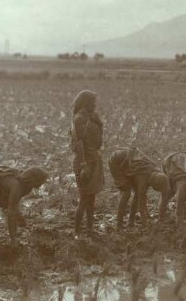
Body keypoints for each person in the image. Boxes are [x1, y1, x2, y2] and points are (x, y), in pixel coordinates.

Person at [0, 164, 47, 258]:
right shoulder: (16, 187)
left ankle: (19, 224)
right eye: (41, 181)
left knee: (10, 206)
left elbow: (12, 204)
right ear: (33, 179)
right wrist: (13, 240)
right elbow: (10, 213)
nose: (42, 184)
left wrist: (18, 216)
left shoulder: (25, 183)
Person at [108, 147, 169, 230]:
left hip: (129, 161)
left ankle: (130, 222)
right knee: (126, 192)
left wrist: (161, 220)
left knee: (137, 195)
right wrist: (145, 225)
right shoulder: (143, 180)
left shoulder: (157, 171)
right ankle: (119, 225)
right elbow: (141, 203)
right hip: (117, 160)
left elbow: (164, 195)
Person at [70, 90, 104, 235]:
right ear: (86, 103)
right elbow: (78, 143)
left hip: (94, 159)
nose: (95, 105)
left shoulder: (93, 117)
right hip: (84, 162)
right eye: (93, 103)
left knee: (92, 197)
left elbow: (98, 140)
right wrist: (83, 165)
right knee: (84, 198)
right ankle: (77, 232)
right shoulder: (78, 119)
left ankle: (90, 228)